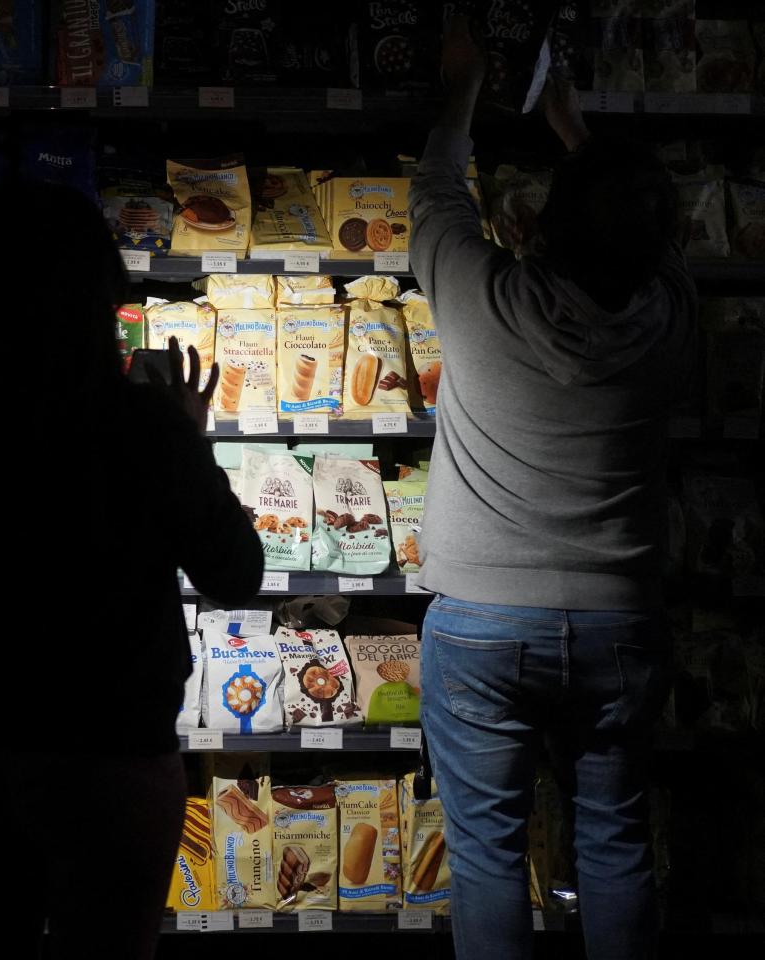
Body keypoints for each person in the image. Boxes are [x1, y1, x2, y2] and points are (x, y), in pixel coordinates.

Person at [0, 178, 264, 960]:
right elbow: (236, 573)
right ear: (100, 295)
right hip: (114, 758)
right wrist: (189, 445)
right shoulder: (144, 427)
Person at [410, 16, 694, 960]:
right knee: (615, 844)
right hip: (621, 622)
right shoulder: (668, 320)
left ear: (537, 222)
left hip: (483, 620)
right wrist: (579, 132)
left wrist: (464, 86)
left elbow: (436, 188)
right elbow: (657, 238)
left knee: (488, 857)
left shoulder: (480, 296)